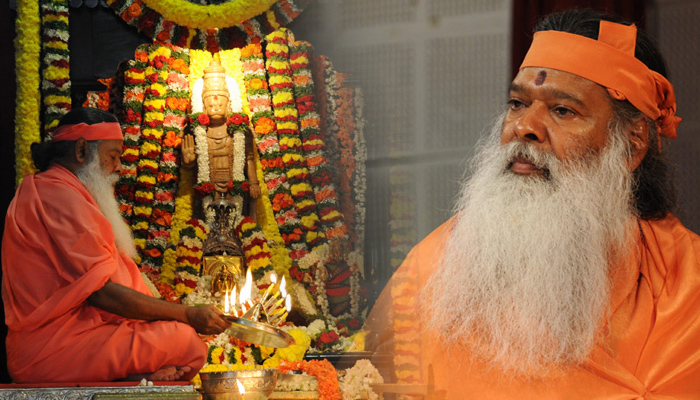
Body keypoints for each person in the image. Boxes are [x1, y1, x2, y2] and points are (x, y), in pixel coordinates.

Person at [367, 9, 700, 399]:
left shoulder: (687, 284)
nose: (524, 127)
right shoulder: (434, 272)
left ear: (631, 143)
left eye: (563, 110)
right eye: (517, 103)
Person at [1, 107, 230, 383]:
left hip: (76, 339)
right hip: (51, 350)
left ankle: (136, 378)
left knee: (177, 338)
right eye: (113, 156)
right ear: (82, 151)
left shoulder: (60, 191)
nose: (119, 167)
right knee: (185, 342)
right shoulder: (57, 194)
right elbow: (101, 294)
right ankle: (135, 377)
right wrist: (187, 314)